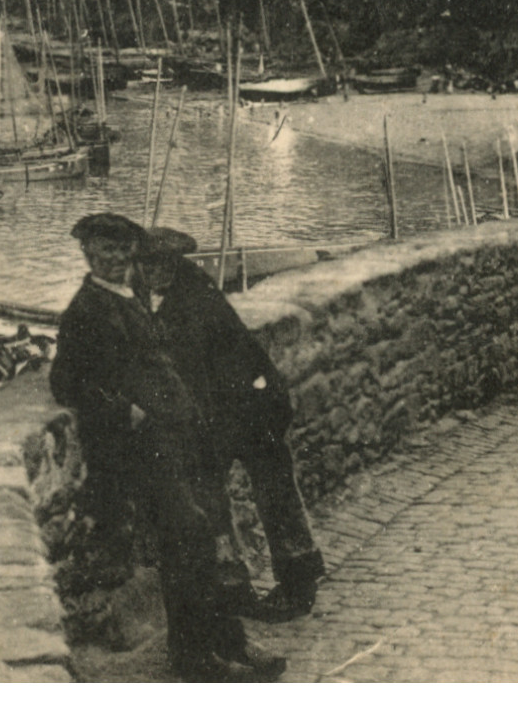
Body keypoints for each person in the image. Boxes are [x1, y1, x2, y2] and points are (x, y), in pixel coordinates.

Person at [51, 212, 282, 682]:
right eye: (103, 250)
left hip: (180, 439)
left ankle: (228, 643)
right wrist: (123, 412)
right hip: (143, 448)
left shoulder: (130, 295)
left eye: (121, 250)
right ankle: (196, 657)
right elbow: (65, 382)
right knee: (189, 540)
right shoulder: (86, 309)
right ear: (87, 253)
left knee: (204, 542)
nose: (113, 258)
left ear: (130, 253)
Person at [138, 227, 325, 623]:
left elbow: (196, 373)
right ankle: (283, 578)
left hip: (249, 407)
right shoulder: (185, 289)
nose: (148, 270)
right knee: (265, 489)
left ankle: (269, 584)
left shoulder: (187, 303)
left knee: (237, 492)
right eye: (144, 263)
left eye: (156, 263)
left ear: (172, 263)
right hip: (248, 400)